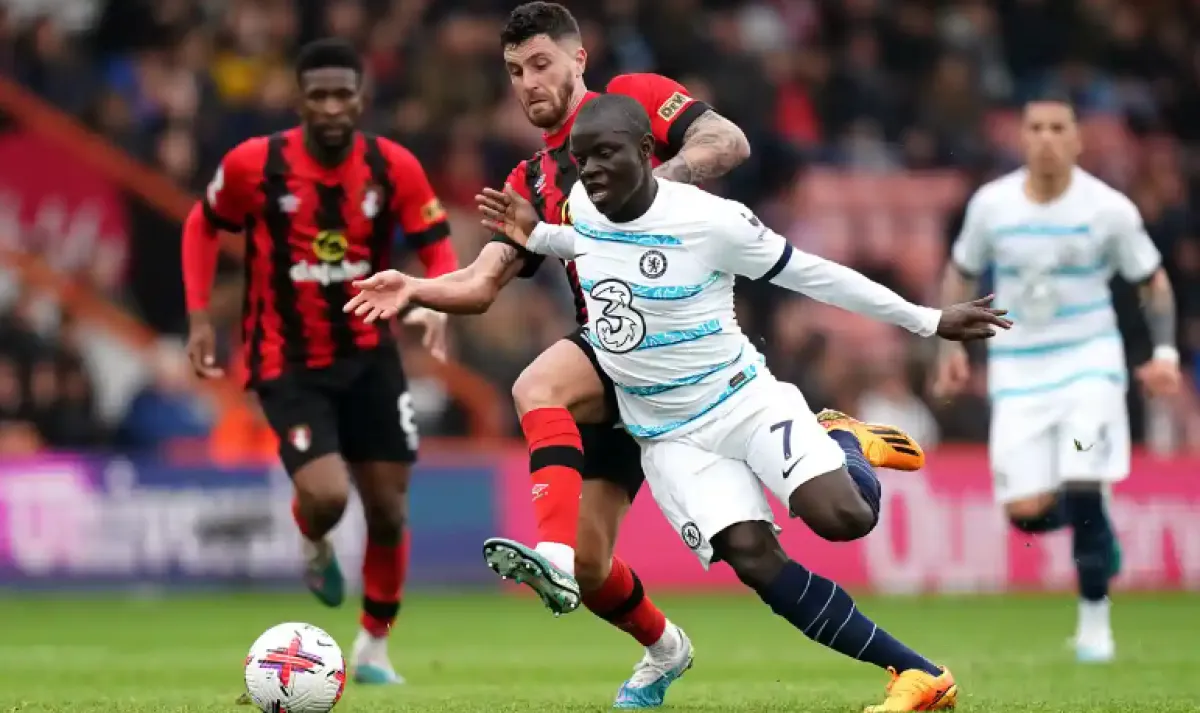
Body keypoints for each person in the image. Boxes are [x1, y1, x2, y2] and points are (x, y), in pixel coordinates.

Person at [353, 94, 1010, 712]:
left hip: (740, 398)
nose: (592, 170)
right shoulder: (583, 203)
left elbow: (815, 273)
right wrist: (539, 234)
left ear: (646, 149)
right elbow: (588, 241)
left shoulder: (710, 220)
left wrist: (927, 319)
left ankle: (841, 438)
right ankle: (920, 673)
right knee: (755, 560)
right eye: (582, 159)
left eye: (607, 153)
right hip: (667, 434)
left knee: (844, 516)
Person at [352, 2, 750, 707]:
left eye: (540, 64)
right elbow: (481, 285)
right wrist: (414, 285)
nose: (528, 82)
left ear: (578, 60)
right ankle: (664, 647)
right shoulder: (532, 180)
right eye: (513, 71)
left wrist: (651, 190)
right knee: (600, 568)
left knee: (537, 384)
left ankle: (553, 557)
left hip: (681, 338)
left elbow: (728, 142)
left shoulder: (637, 101)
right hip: (616, 348)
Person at [182, 38, 458, 685]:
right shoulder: (257, 163)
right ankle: (314, 540)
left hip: (370, 354)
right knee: (328, 495)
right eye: (319, 96)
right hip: (288, 357)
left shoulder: (394, 167)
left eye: (344, 95)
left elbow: (437, 245)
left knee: (389, 506)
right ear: (300, 100)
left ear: (362, 99)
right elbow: (202, 222)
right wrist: (199, 316)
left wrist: (438, 298)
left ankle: (373, 648)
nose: (332, 107)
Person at [932, 94, 1181, 663]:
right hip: (1018, 367)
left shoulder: (1108, 208)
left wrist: (1164, 352)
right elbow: (961, 269)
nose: (1046, 137)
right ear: (1022, 137)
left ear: (1077, 139)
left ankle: (1096, 623)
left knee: (1083, 478)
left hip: (1089, 363)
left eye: (1057, 128)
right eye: (1036, 127)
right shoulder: (992, 205)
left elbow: (1154, 282)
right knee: (1026, 512)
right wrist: (952, 347)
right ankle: (1100, 528)